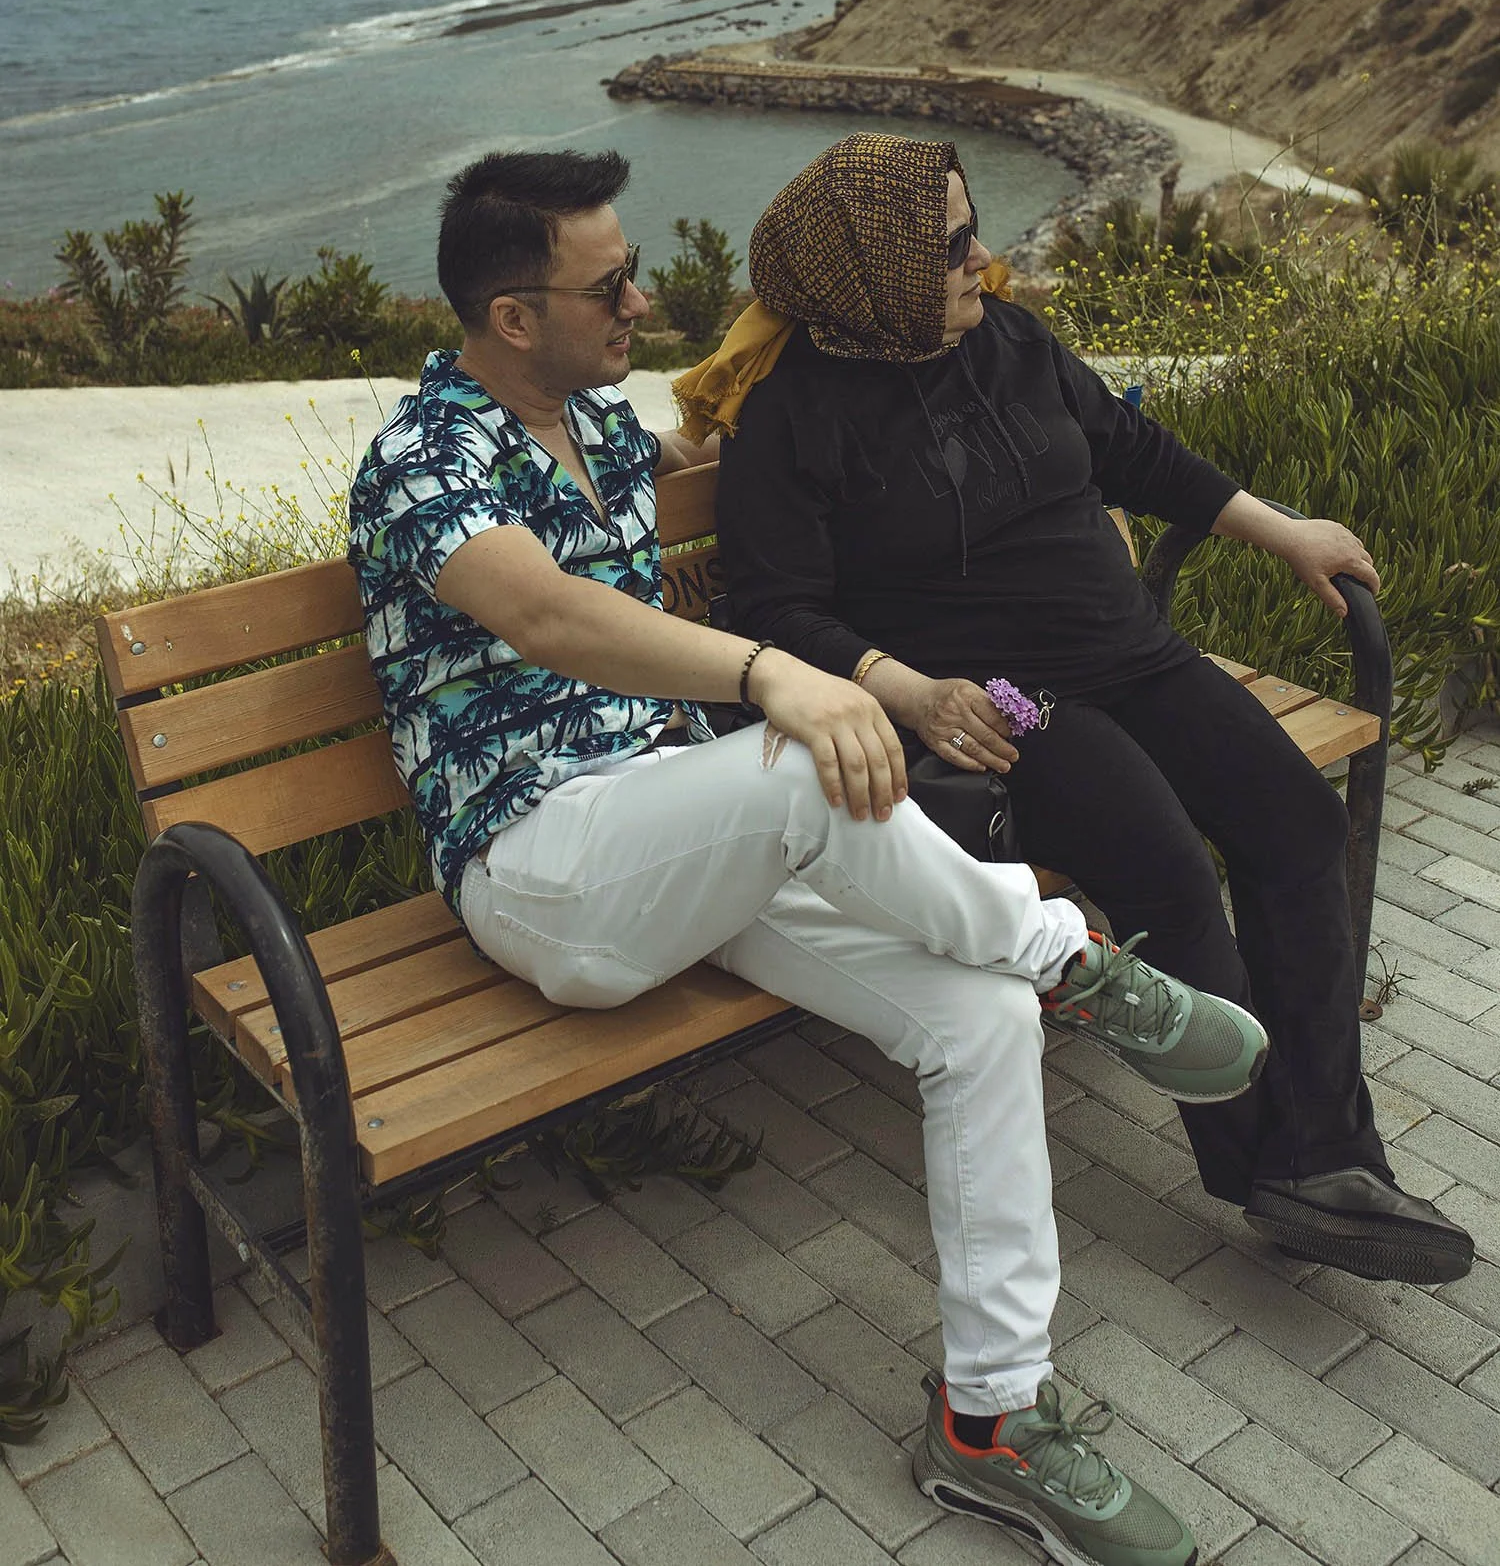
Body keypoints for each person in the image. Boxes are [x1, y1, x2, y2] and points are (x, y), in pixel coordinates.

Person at [347, 147, 1275, 1566]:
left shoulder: (600, 428)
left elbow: (760, 465)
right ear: (512, 314)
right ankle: (1073, 952)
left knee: (976, 1018)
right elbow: (546, 617)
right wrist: (784, 671)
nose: (643, 302)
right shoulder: (422, 457)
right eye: (610, 286)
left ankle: (993, 1419)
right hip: (542, 869)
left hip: (681, 843)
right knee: (799, 754)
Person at [699, 130, 1474, 1293]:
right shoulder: (794, 418)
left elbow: (1130, 451)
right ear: (880, 275)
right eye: (952, 243)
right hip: (1006, 701)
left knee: (1295, 826)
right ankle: (1264, 1162)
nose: (981, 257)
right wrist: (905, 689)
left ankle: (1331, 1156)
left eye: (972, 230)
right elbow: (776, 610)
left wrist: (1284, 529)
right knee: (1165, 860)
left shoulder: (1006, 337)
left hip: (1134, 651)